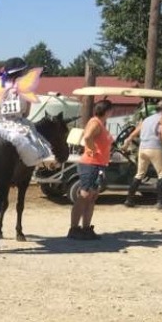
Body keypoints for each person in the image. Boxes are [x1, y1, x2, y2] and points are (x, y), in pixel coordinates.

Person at [69, 99, 114, 239]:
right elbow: (87, 137)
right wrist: (93, 150)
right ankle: (74, 228)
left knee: (92, 197)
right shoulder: (95, 123)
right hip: (90, 164)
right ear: (107, 111)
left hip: (98, 164)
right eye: (111, 110)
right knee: (84, 195)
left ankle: (86, 228)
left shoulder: (100, 123)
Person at [123, 99, 162, 208]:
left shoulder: (146, 119)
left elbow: (134, 133)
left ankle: (129, 200)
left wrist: (127, 141)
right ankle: (160, 202)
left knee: (140, 174)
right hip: (155, 147)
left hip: (142, 149)